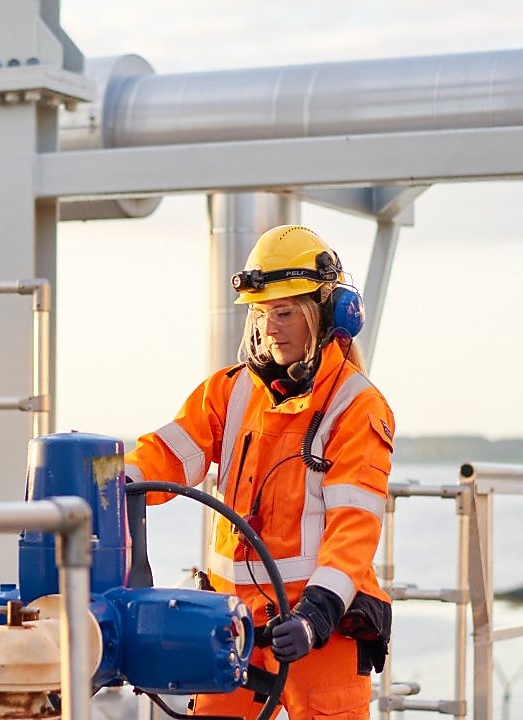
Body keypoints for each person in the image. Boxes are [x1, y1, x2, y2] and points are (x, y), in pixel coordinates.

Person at [124, 225, 394, 720]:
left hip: (317, 629)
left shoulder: (357, 406)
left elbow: (355, 525)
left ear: (327, 313)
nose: (271, 329)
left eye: (285, 313)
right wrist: (109, 481)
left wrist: (316, 614)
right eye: (262, 314)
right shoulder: (230, 391)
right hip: (231, 627)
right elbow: (169, 454)